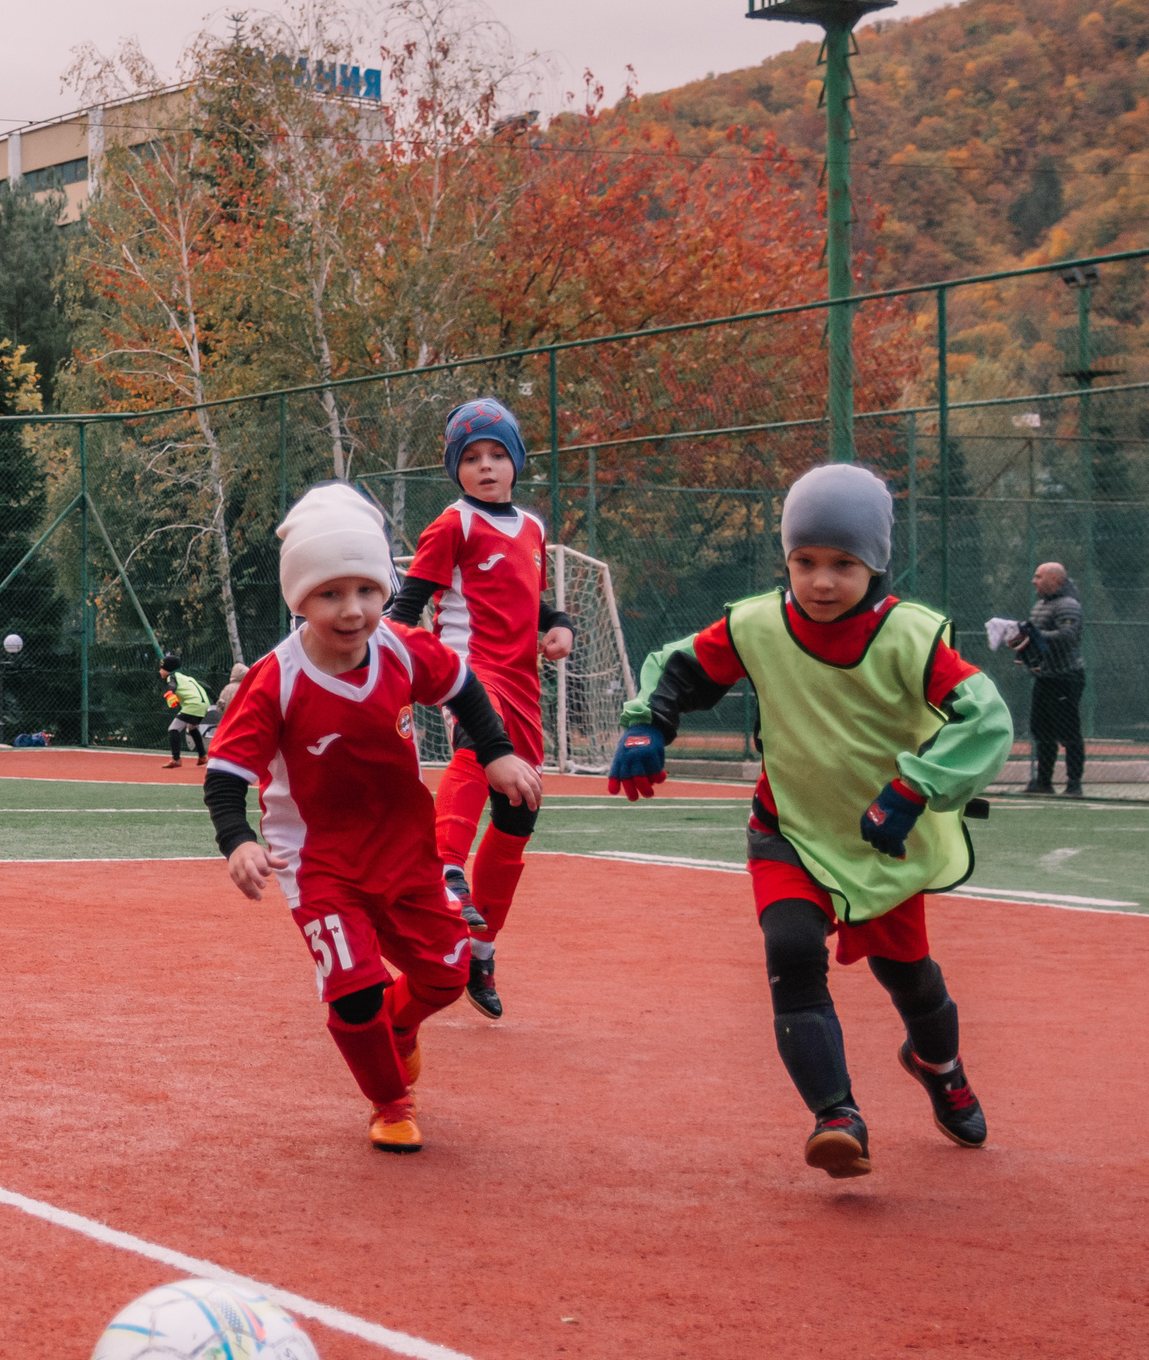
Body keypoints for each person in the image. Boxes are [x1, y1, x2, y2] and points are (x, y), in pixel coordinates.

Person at [607, 463, 1011, 1181]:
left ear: (876, 562)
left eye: (843, 564)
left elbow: (987, 719)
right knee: (791, 950)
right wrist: (649, 723)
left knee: (910, 978)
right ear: (786, 559)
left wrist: (918, 787)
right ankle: (837, 1116)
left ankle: (938, 1063)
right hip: (787, 829)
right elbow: (681, 669)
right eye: (805, 562)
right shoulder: (757, 623)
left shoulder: (912, 639)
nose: (822, 581)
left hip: (881, 837)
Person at [205, 482, 542, 1154]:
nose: (352, 609)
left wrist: (497, 752)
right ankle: (390, 1100)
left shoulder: (402, 647)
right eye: (330, 593)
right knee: (355, 990)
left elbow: (463, 686)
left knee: (447, 973)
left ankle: (402, 1025)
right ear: (299, 597)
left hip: (407, 852)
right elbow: (225, 774)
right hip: (321, 863)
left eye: (365, 589)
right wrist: (239, 840)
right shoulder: (278, 677)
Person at [385, 398, 576, 1020]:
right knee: (476, 750)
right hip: (469, 675)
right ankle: (444, 871)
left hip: (524, 686)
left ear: (516, 462)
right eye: (471, 458)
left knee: (519, 813)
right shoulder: (452, 525)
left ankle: (482, 948)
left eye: (497, 454)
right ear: (455, 469)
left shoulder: (533, 529)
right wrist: (382, 665)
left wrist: (559, 626)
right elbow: (408, 606)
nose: (486, 467)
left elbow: (534, 602)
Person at [1013, 560, 1085, 795]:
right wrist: (1025, 649)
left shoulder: (1068, 605)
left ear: (1055, 580)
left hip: (1065, 678)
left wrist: (1032, 634)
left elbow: (1067, 636)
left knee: (1069, 731)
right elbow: (1039, 642)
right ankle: (1044, 782)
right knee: (1041, 730)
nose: (1034, 580)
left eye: (1039, 576)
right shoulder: (1041, 605)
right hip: (1045, 679)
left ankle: (1074, 783)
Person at [158, 651, 212, 768]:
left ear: (167, 669)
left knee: (173, 728)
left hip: (192, 704)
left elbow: (171, 685)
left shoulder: (171, 676)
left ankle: (176, 759)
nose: (159, 671)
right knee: (191, 727)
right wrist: (217, 700)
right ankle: (202, 755)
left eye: (161, 668)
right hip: (203, 705)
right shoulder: (188, 678)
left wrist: (170, 693)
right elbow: (207, 687)